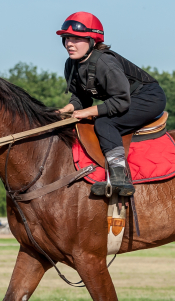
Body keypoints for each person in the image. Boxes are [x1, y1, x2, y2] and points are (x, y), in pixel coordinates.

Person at [56, 12, 166, 197]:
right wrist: (69, 108)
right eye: (66, 38)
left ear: (92, 40)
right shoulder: (71, 64)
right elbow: (82, 97)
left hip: (148, 98)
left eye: (76, 38)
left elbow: (122, 100)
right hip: (123, 99)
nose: (69, 43)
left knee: (104, 123)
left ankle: (119, 179)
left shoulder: (104, 62)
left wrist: (89, 111)